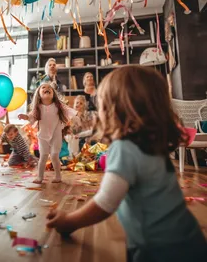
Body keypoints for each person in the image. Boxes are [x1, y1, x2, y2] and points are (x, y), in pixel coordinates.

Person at [46, 66, 206, 262]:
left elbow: (105, 202)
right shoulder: (152, 144)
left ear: (116, 110)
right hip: (186, 238)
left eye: (103, 106)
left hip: (161, 249)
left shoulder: (124, 149)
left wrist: (68, 221)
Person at [18, 83, 77, 184]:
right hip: (43, 136)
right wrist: (26, 117)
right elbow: (31, 117)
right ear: (39, 95)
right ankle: (39, 177)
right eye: (43, 88)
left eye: (50, 88)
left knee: (54, 155)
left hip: (56, 135)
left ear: (53, 94)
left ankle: (58, 176)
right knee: (43, 156)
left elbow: (69, 112)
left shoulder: (58, 106)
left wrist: (76, 117)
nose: (47, 88)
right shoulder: (38, 107)